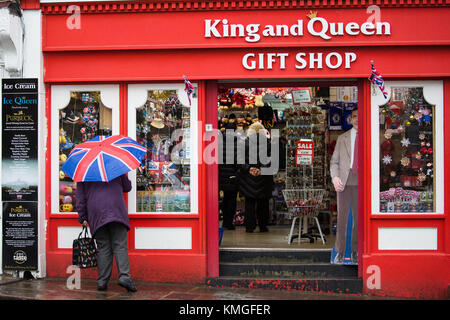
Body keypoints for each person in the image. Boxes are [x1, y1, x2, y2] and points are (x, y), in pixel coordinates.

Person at [76, 174, 137, 292]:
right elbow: (127, 187)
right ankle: (124, 277)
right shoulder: (115, 167)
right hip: (116, 209)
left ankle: (102, 281)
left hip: (96, 212)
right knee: (120, 245)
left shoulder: (84, 171)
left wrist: (82, 216)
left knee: (103, 247)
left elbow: (80, 197)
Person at [330, 109, 358, 264]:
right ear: (350, 119)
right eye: (354, 117)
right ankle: (340, 252)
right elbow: (334, 162)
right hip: (344, 182)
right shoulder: (342, 138)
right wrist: (335, 177)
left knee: (358, 220)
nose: (357, 120)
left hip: (362, 182)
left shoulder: (369, 137)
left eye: (360, 117)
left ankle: (355, 251)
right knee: (342, 219)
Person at [239, 122, 274, 233]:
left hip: (248, 178)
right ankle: (263, 226)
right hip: (264, 178)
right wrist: (261, 170)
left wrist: (249, 168)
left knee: (249, 203)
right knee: (263, 204)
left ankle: (250, 226)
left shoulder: (245, 143)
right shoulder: (268, 143)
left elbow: (240, 160)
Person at [219, 115, 239, 230]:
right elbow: (238, 161)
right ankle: (228, 222)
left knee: (223, 200)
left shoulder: (220, 143)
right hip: (232, 176)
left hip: (221, 176)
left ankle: (222, 219)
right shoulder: (237, 144)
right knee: (231, 200)